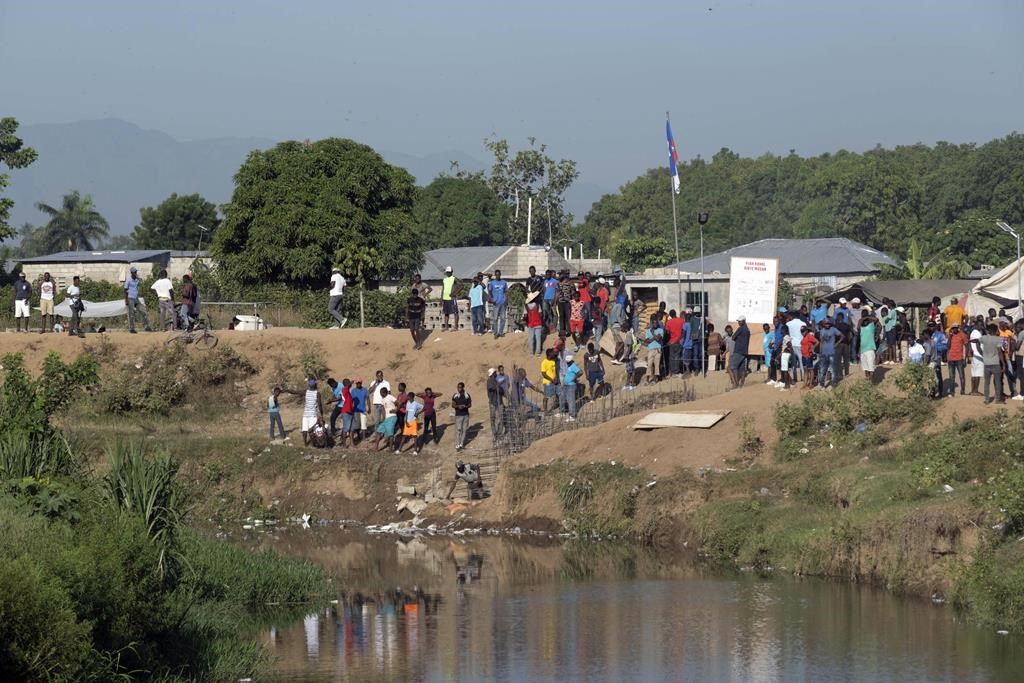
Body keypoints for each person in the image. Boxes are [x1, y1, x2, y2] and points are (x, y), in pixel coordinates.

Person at [980, 323, 1006, 404]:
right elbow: (1000, 352)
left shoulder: (984, 338)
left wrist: (981, 353)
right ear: (995, 330)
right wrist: (1003, 363)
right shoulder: (998, 339)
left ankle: (987, 399)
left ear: (988, 330)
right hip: (995, 363)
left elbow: (977, 342)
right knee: (998, 381)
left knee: (987, 383)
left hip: (986, 363)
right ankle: (998, 399)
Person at [123, 266, 151, 333]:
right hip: (130, 298)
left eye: (136, 272)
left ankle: (146, 327)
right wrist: (126, 300)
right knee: (131, 314)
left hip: (136, 298)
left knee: (143, 311)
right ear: (131, 273)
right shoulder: (128, 280)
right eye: (134, 272)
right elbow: (125, 290)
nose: (135, 273)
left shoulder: (137, 280)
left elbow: (141, 284)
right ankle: (131, 329)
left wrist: (138, 279)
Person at [395, 388, 422, 454]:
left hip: (413, 422)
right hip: (407, 422)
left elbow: (423, 407)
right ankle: (399, 450)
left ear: (412, 397)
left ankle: (415, 450)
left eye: (409, 397)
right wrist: (406, 421)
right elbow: (406, 412)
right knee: (404, 436)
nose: (408, 398)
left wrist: (418, 413)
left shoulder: (416, 404)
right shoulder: (408, 403)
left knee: (415, 436)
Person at [817, 318, 840, 389]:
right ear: (823, 324)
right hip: (824, 352)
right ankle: (821, 384)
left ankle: (832, 384)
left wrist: (836, 344)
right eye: (826, 323)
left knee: (832, 369)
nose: (827, 325)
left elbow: (842, 336)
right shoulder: (822, 331)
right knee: (822, 369)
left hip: (832, 352)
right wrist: (820, 351)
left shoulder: (833, 329)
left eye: (828, 323)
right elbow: (821, 341)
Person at [947, 323, 968, 396]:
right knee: (951, 376)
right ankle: (952, 391)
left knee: (961, 375)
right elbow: (948, 346)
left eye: (955, 328)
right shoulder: (950, 336)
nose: (954, 329)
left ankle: (962, 391)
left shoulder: (962, 335)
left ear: (958, 328)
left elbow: (966, 346)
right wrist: (950, 336)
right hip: (951, 358)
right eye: (953, 328)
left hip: (959, 358)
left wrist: (965, 358)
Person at [729, 316, 751, 389]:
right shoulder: (747, 330)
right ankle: (742, 384)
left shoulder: (740, 329)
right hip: (744, 351)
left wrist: (737, 338)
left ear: (744, 321)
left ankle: (735, 384)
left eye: (740, 321)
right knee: (741, 369)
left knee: (732, 367)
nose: (738, 322)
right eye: (738, 321)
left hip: (738, 350)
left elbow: (733, 337)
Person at [301, 378, 324, 447]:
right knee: (312, 431)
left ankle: (305, 444)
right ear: (315, 384)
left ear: (308, 384)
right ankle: (314, 444)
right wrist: (321, 414)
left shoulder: (306, 391)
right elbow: (320, 405)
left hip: (305, 414)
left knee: (304, 430)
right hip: (313, 415)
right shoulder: (317, 393)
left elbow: (295, 391)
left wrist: (286, 390)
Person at [487, 269, 509, 338]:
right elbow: (489, 291)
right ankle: (496, 333)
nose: (497, 276)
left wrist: (506, 300)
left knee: (503, 318)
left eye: (498, 274)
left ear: (500, 275)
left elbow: (506, 291)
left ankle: (501, 332)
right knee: (495, 318)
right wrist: (491, 299)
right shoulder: (492, 283)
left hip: (502, 303)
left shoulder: (504, 282)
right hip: (495, 303)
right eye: (496, 275)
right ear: (495, 275)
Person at [858, 310, 879, 381]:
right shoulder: (861, 327)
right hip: (863, 350)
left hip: (870, 349)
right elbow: (859, 324)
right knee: (865, 368)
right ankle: (867, 380)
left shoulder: (871, 325)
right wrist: (863, 318)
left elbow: (876, 319)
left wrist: (867, 317)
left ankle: (872, 382)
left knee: (871, 367)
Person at [486, 368, 506, 440]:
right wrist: (499, 384)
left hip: (499, 402)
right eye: (495, 372)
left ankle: (499, 433)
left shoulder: (496, 381)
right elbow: (491, 388)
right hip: (493, 402)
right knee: (493, 419)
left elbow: (501, 391)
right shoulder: (489, 381)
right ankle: (495, 434)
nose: (496, 373)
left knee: (501, 418)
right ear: (493, 374)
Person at [562, 353, 582, 422]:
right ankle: (569, 413)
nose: (567, 363)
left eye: (568, 362)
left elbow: (580, 372)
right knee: (566, 399)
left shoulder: (573, 366)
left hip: (571, 385)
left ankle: (572, 416)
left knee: (571, 401)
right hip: (566, 385)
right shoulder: (568, 366)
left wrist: (574, 378)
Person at [451, 382, 472, 450]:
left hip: (465, 415)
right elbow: (453, 405)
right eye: (458, 387)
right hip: (458, 415)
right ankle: (457, 444)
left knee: (464, 430)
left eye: (460, 387)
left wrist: (465, 406)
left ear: (463, 388)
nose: (458, 389)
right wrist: (458, 406)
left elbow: (470, 404)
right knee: (459, 430)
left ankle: (461, 444)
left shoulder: (467, 395)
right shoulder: (455, 396)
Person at [644, 315, 664, 384]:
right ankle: (647, 379)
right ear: (652, 323)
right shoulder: (648, 331)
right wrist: (654, 338)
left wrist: (652, 334)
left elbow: (659, 339)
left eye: (656, 323)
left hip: (658, 349)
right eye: (654, 323)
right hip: (650, 349)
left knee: (656, 364)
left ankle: (655, 379)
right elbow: (646, 341)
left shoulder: (660, 330)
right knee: (649, 364)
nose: (655, 324)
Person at [540, 348, 560, 413]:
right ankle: (545, 411)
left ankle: (555, 407)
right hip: (548, 382)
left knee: (557, 394)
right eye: (552, 353)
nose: (554, 354)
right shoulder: (544, 362)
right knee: (546, 396)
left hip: (554, 381)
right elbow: (543, 374)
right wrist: (551, 379)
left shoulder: (553, 361)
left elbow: (555, 371)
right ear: (549, 354)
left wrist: (556, 378)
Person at [665, 309, 684, 376]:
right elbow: (683, 330)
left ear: (670, 315)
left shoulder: (669, 322)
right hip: (679, 341)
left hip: (672, 342)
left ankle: (673, 371)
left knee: (672, 357)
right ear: (675, 314)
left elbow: (667, 332)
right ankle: (677, 371)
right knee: (678, 357)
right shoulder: (681, 320)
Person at [350, 378, 369, 442]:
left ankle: (364, 438)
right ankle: (358, 435)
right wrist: (351, 409)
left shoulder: (365, 390)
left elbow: (367, 399)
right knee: (357, 424)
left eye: (359, 383)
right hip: (356, 410)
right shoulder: (353, 391)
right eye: (357, 383)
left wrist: (369, 407)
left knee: (364, 424)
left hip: (363, 409)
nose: (358, 384)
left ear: (361, 383)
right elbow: (351, 400)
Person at [441, 266, 460, 331]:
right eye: (447, 272)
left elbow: (461, 285)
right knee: (446, 313)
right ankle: (446, 327)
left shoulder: (454, 278)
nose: (448, 273)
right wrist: (441, 298)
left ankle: (456, 327)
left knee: (455, 312)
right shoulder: (444, 279)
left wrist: (454, 293)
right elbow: (443, 289)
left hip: (452, 298)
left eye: (449, 272)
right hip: (445, 298)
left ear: (452, 272)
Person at [556, 271, 575, 337]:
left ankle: (569, 330)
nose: (559, 276)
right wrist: (555, 302)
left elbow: (572, 293)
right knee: (561, 317)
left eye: (560, 275)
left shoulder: (570, 283)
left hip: (567, 302)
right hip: (560, 302)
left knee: (568, 317)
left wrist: (572, 302)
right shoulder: (558, 283)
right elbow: (557, 293)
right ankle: (562, 331)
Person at [800, 324, 818, 388]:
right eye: (801, 331)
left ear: (806, 331)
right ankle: (805, 383)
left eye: (803, 331)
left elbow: (817, 342)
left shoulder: (809, 336)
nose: (802, 332)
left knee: (810, 369)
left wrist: (812, 348)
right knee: (805, 370)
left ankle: (811, 383)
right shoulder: (804, 337)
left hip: (808, 355)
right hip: (803, 356)